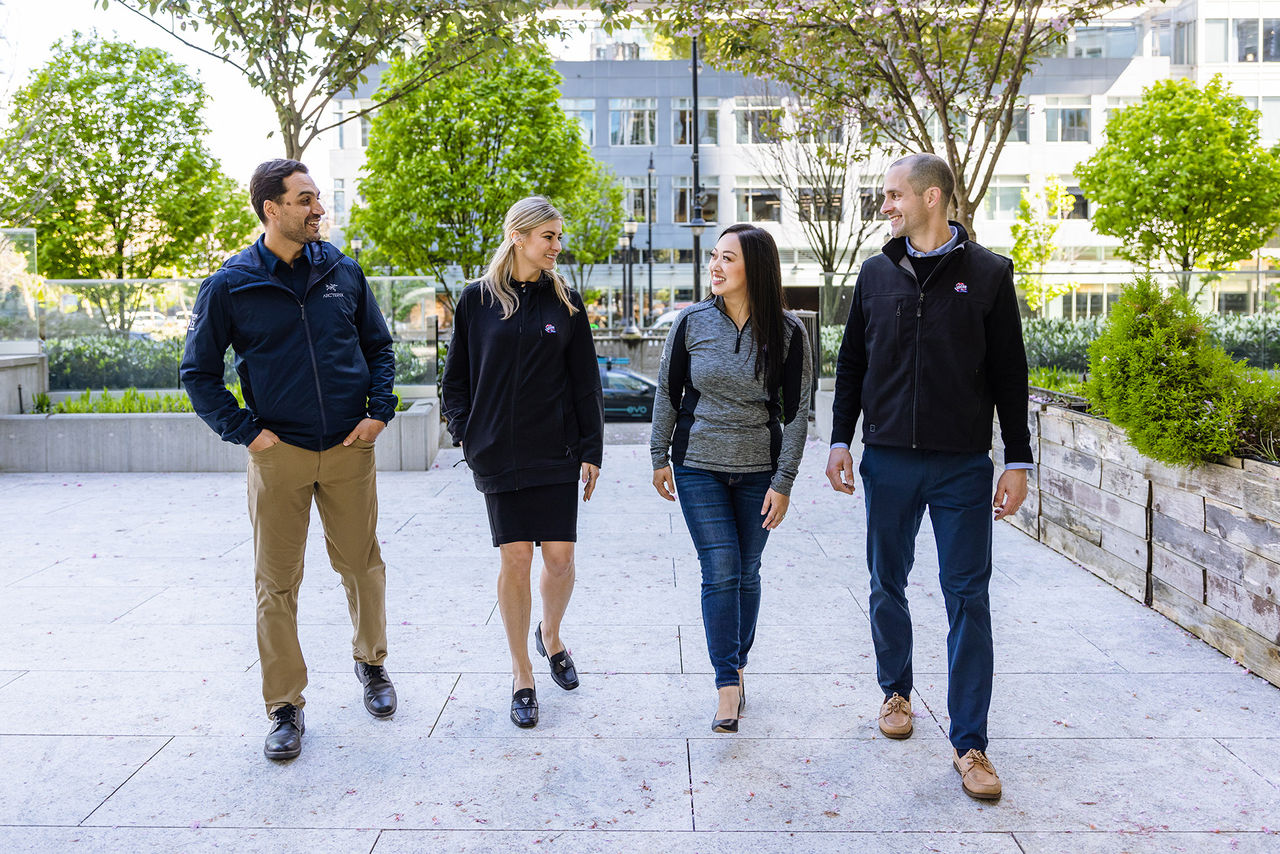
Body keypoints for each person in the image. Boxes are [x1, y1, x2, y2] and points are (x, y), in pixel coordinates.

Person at [824, 153, 1032, 799]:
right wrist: (839, 439)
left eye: (893, 195)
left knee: (968, 596)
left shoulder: (991, 275)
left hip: (962, 464)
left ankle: (970, 744)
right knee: (886, 582)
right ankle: (895, 693)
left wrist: (1017, 461)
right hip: (887, 459)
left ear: (932, 197)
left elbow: (1010, 376)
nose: (884, 206)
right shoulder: (874, 273)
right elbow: (851, 363)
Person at [181, 159, 399, 761]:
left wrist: (378, 411)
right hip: (279, 454)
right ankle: (284, 705)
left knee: (362, 565)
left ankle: (372, 665)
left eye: (317, 198)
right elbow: (197, 374)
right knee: (277, 584)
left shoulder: (342, 271)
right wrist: (246, 433)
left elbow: (379, 348)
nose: (317, 209)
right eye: (304, 200)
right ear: (271, 209)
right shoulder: (230, 284)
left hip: (350, 448)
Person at [440, 196, 604, 729]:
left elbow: (586, 385)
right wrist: (468, 435)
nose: (557, 246)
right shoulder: (475, 300)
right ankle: (521, 673)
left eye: (558, 237)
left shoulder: (567, 302)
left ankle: (550, 635)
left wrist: (591, 450)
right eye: (548, 237)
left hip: (555, 451)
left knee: (558, 559)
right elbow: (456, 380)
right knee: (515, 557)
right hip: (497, 454)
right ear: (519, 237)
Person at [650, 223, 812, 733]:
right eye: (714, 257)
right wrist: (659, 455)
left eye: (728, 259)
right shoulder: (691, 322)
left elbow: (798, 412)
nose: (715, 267)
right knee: (720, 567)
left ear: (755, 269)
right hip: (698, 466)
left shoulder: (788, 333)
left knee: (746, 572)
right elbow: (666, 392)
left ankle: (737, 666)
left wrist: (783, 481)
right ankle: (726, 684)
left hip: (759, 471)